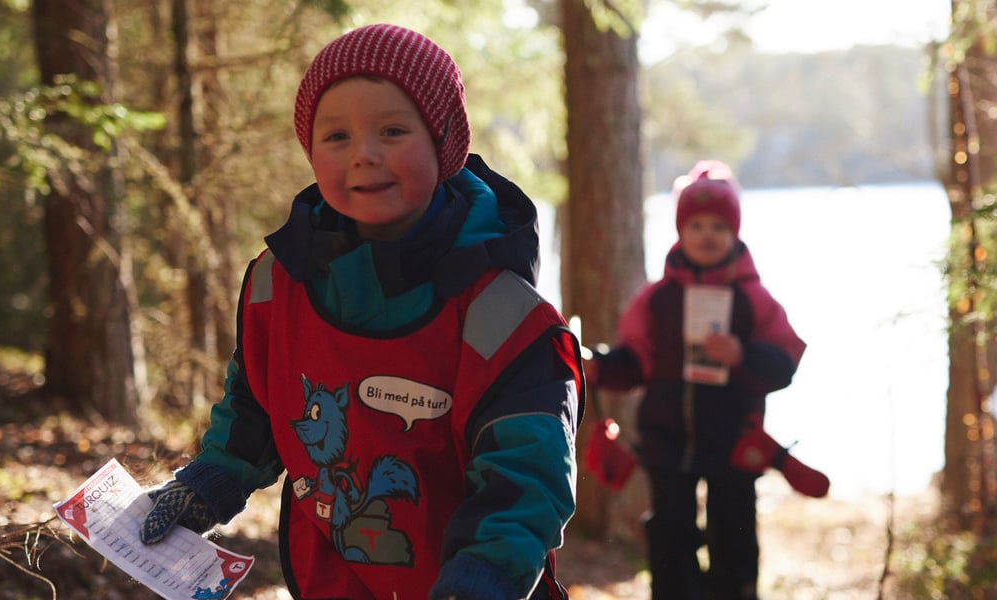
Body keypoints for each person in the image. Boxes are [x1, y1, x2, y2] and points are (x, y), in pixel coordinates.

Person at [137, 24, 584, 600]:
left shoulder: (503, 316)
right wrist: (206, 485)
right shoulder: (278, 283)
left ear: (443, 140)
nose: (364, 155)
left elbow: (528, 480)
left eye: (393, 131)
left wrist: (483, 578)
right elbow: (256, 408)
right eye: (336, 136)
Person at [584, 161, 806, 600]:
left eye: (719, 226)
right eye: (697, 225)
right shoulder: (657, 298)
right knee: (669, 540)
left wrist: (744, 354)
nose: (707, 235)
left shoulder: (753, 299)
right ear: (680, 231)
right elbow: (635, 363)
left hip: (734, 444)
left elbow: (786, 362)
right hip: (667, 443)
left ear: (735, 233)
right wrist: (599, 365)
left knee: (734, 538)